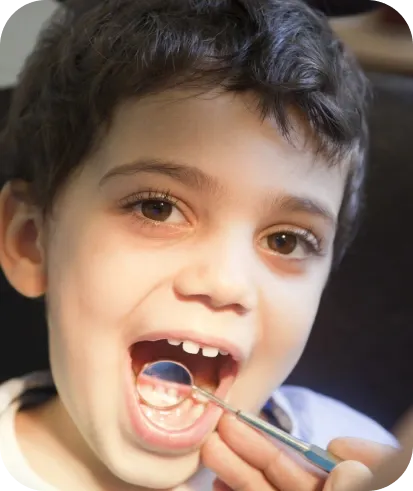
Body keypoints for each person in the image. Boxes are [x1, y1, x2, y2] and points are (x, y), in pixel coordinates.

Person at [0, 0, 403, 489]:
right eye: (157, 208)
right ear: (31, 241)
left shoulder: (364, 460)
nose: (225, 283)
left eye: (285, 239)